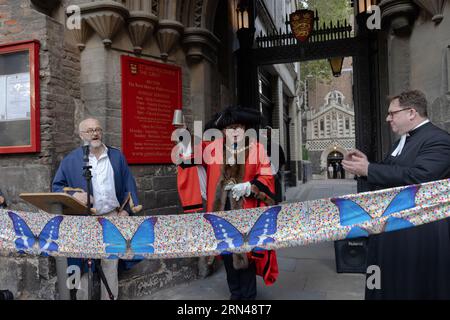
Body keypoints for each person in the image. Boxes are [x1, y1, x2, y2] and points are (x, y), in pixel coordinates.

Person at [342, 89, 450, 300]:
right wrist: (367, 166)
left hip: (419, 236)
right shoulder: (404, 140)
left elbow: (420, 178)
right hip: (394, 230)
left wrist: (369, 169)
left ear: (411, 113)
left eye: (392, 113)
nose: (387, 118)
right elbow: (392, 173)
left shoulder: (439, 140)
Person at [52, 118, 141, 300]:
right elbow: (57, 187)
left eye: (98, 129)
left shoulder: (116, 156)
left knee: (110, 264)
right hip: (83, 220)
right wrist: (74, 195)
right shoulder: (71, 160)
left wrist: (125, 212)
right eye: (90, 130)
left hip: (111, 217)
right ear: (81, 135)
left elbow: (129, 185)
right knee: (83, 266)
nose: (95, 133)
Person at [205, 105, 278, 300]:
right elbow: (188, 156)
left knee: (247, 256)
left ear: (245, 129)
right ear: (223, 131)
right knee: (228, 255)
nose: (235, 132)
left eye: (238, 127)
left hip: (247, 212)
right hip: (223, 213)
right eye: (230, 128)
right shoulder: (211, 149)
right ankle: (235, 295)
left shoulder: (257, 148)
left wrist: (249, 186)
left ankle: (248, 298)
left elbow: (267, 177)